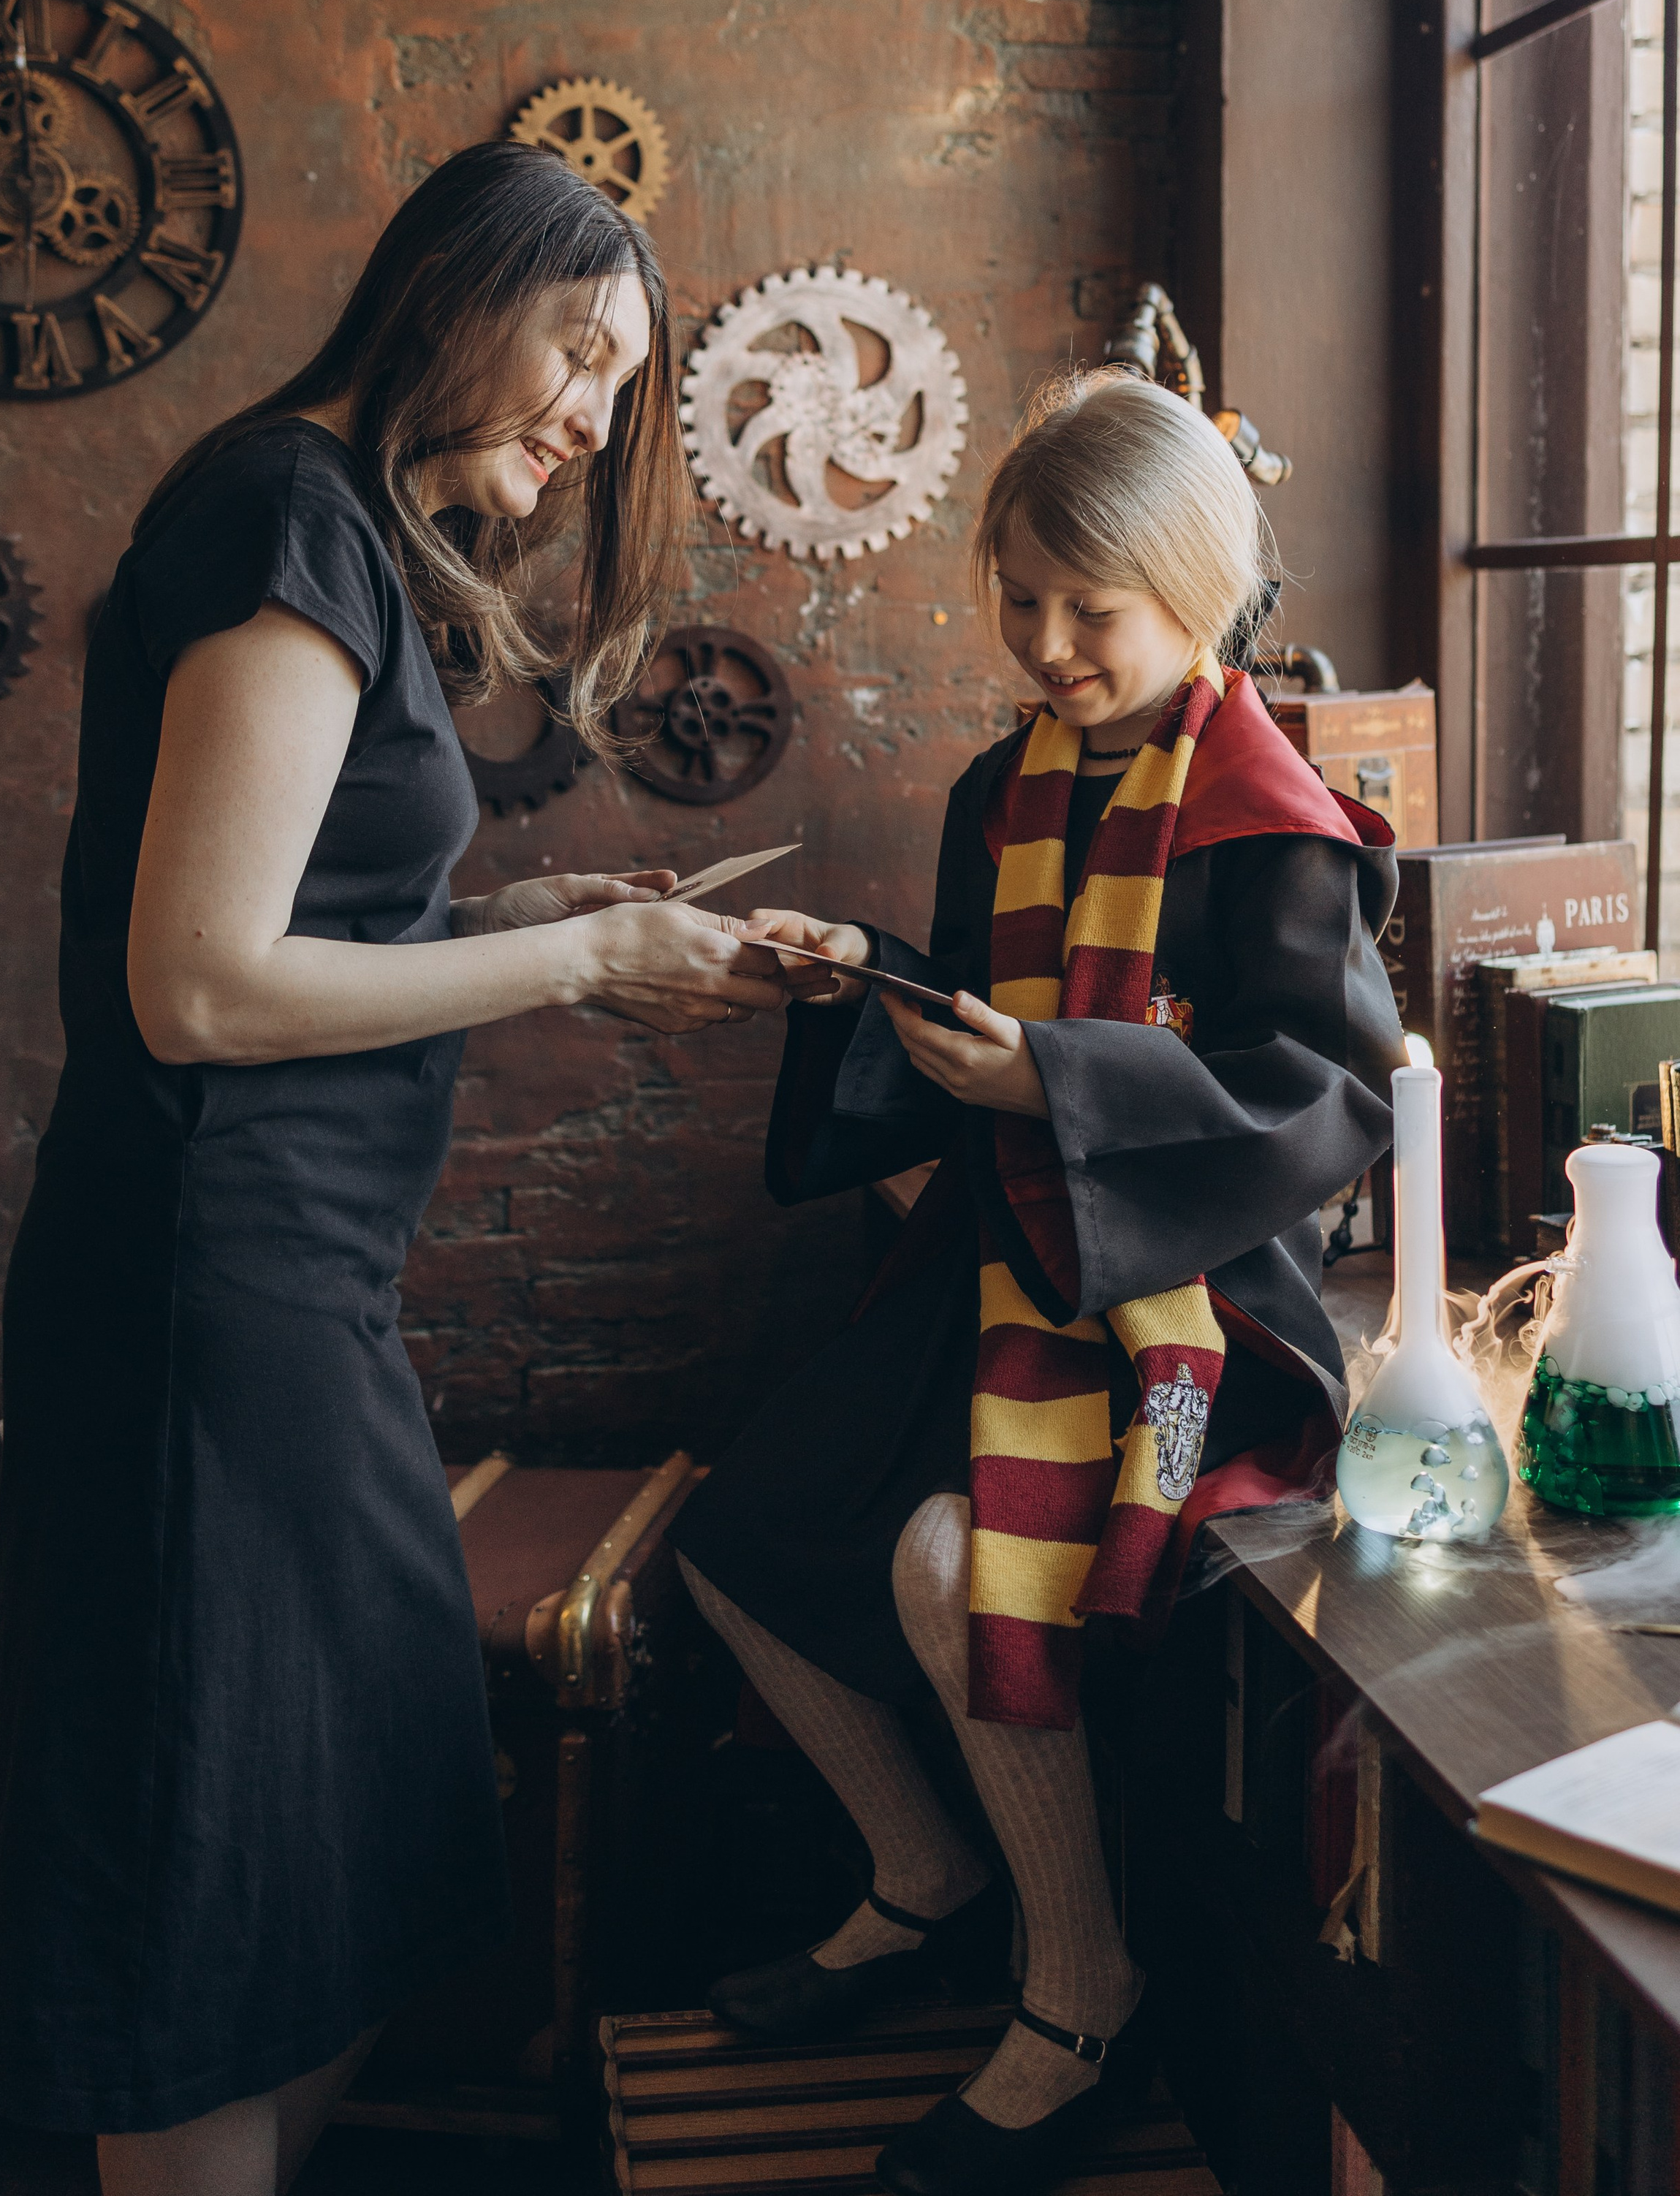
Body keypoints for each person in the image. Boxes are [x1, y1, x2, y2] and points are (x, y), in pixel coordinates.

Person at [0, 142, 786, 2195]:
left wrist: (565, 915)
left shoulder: (346, 529)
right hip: (198, 1301)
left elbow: (299, 921)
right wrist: (586, 955)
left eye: (626, 387)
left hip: (291, 1291)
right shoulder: (283, 521)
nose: (598, 419)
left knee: (356, 1824)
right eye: (581, 352)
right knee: (210, 1875)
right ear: (457, 291)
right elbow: (200, 988)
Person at [672, 369, 1405, 2196]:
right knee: (738, 1531)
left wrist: (1056, 1080)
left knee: (946, 1568)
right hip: (1004, 1248)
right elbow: (980, 1016)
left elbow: (1326, 1104)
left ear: (1198, 593)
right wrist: (861, 980)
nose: (1050, 644)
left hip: (1193, 1307)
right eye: (1016, 599)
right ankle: (922, 1876)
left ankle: (1076, 1995)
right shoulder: (1000, 781)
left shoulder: (1275, 819)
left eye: (1094, 608)